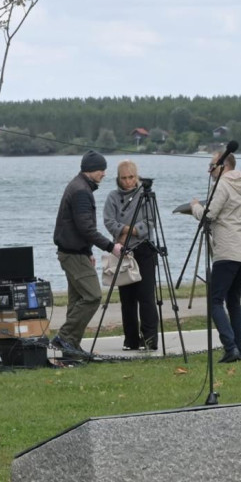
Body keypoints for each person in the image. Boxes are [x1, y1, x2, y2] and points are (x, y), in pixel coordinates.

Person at [52, 151, 123, 359]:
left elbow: (77, 226)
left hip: (74, 251)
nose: (104, 173)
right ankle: (64, 338)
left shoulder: (78, 186)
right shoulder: (82, 191)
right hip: (72, 254)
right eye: (102, 169)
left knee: (77, 300)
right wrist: (112, 247)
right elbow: (86, 228)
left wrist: (87, 251)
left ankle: (70, 348)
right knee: (93, 296)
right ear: (92, 170)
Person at [190, 152, 241, 363]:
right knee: (234, 300)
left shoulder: (223, 185)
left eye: (211, 165)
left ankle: (230, 347)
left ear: (222, 165)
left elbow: (209, 214)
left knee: (215, 301)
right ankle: (240, 349)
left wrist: (195, 206)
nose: (209, 170)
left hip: (227, 250)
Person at [103, 160, 158, 351]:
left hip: (144, 249)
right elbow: (109, 221)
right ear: (118, 178)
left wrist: (131, 231)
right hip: (123, 252)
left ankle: (150, 339)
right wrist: (126, 229)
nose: (127, 181)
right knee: (127, 299)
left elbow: (150, 221)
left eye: (131, 177)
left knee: (146, 297)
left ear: (137, 177)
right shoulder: (112, 197)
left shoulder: (146, 196)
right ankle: (131, 340)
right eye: (124, 178)